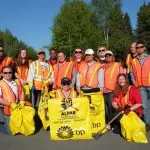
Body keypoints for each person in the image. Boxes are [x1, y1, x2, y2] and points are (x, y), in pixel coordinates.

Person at [130, 41, 150, 131]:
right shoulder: (133, 61)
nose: (139, 49)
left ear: (144, 48)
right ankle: (147, 123)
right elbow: (131, 73)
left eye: (141, 47)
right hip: (141, 86)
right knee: (145, 106)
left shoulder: (149, 58)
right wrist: (134, 82)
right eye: (137, 48)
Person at [0, 66, 25, 134]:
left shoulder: (16, 82)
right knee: (10, 131)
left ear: (12, 73)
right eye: (5, 73)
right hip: (6, 108)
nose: (8, 74)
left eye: (10, 72)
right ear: (2, 74)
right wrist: (10, 104)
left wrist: (22, 101)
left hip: (16, 107)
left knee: (17, 129)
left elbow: (21, 92)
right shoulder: (0, 84)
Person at [103, 50, 124, 124]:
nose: (108, 57)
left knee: (111, 107)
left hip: (113, 90)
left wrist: (121, 88)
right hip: (104, 90)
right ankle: (108, 122)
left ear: (112, 57)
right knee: (105, 107)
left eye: (109, 55)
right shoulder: (103, 66)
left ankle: (114, 123)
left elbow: (122, 77)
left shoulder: (117, 65)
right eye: (106, 56)